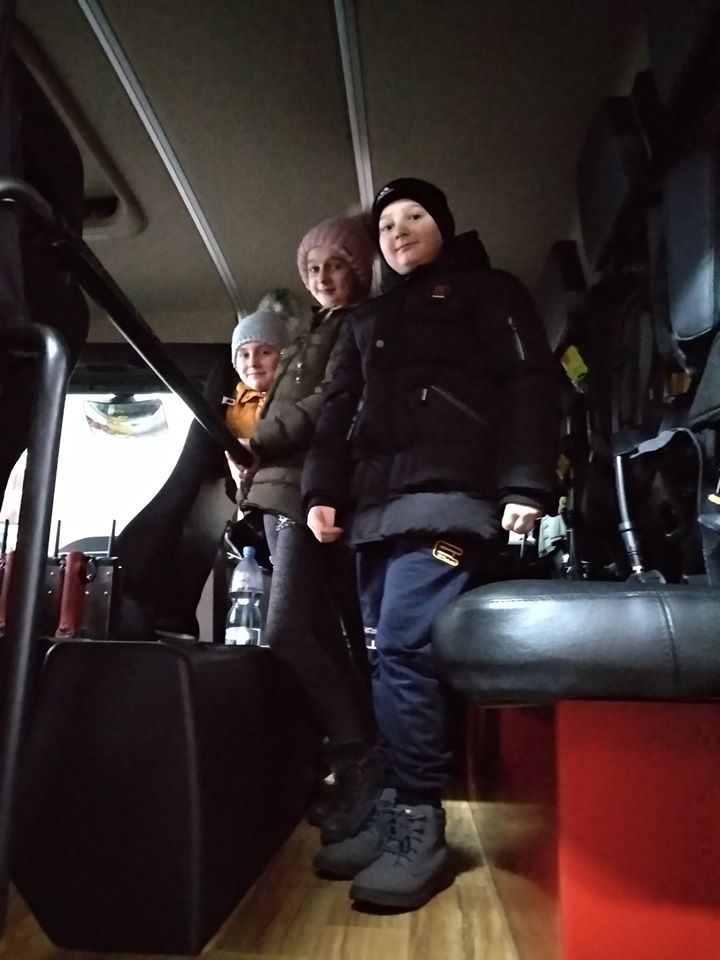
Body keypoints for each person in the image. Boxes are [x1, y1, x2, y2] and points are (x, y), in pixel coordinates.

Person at [301, 178, 561, 909]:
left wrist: (525, 483)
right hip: (376, 511)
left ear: (442, 225)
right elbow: (337, 415)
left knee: (406, 650)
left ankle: (420, 821)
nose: (399, 230)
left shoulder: (488, 292)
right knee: (384, 658)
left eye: (414, 216)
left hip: (450, 499)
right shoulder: (368, 321)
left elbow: (530, 383)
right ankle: (393, 811)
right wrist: (321, 493)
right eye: (387, 224)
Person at [233, 215, 382, 843]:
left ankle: (360, 753)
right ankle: (352, 757)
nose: (322, 277)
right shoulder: (313, 331)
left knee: (287, 631)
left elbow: (328, 403)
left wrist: (257, 438)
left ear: (359, 271)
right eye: (313, 268)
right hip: (277, 494)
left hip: (304, 493)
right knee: (316, 629)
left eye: (335, 266)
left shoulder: (358, 325)